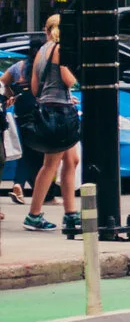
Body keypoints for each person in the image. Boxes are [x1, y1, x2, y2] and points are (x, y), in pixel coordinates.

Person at [15, 14, 80, 233]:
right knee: (51, 164)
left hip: (49, 109)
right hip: (59, 113)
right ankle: (34, 215)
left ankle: (71, 213)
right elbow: (68, 79)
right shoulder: (59, 49)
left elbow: (35, 88)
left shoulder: (42, 51)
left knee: (71, 160)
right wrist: (74, 82)